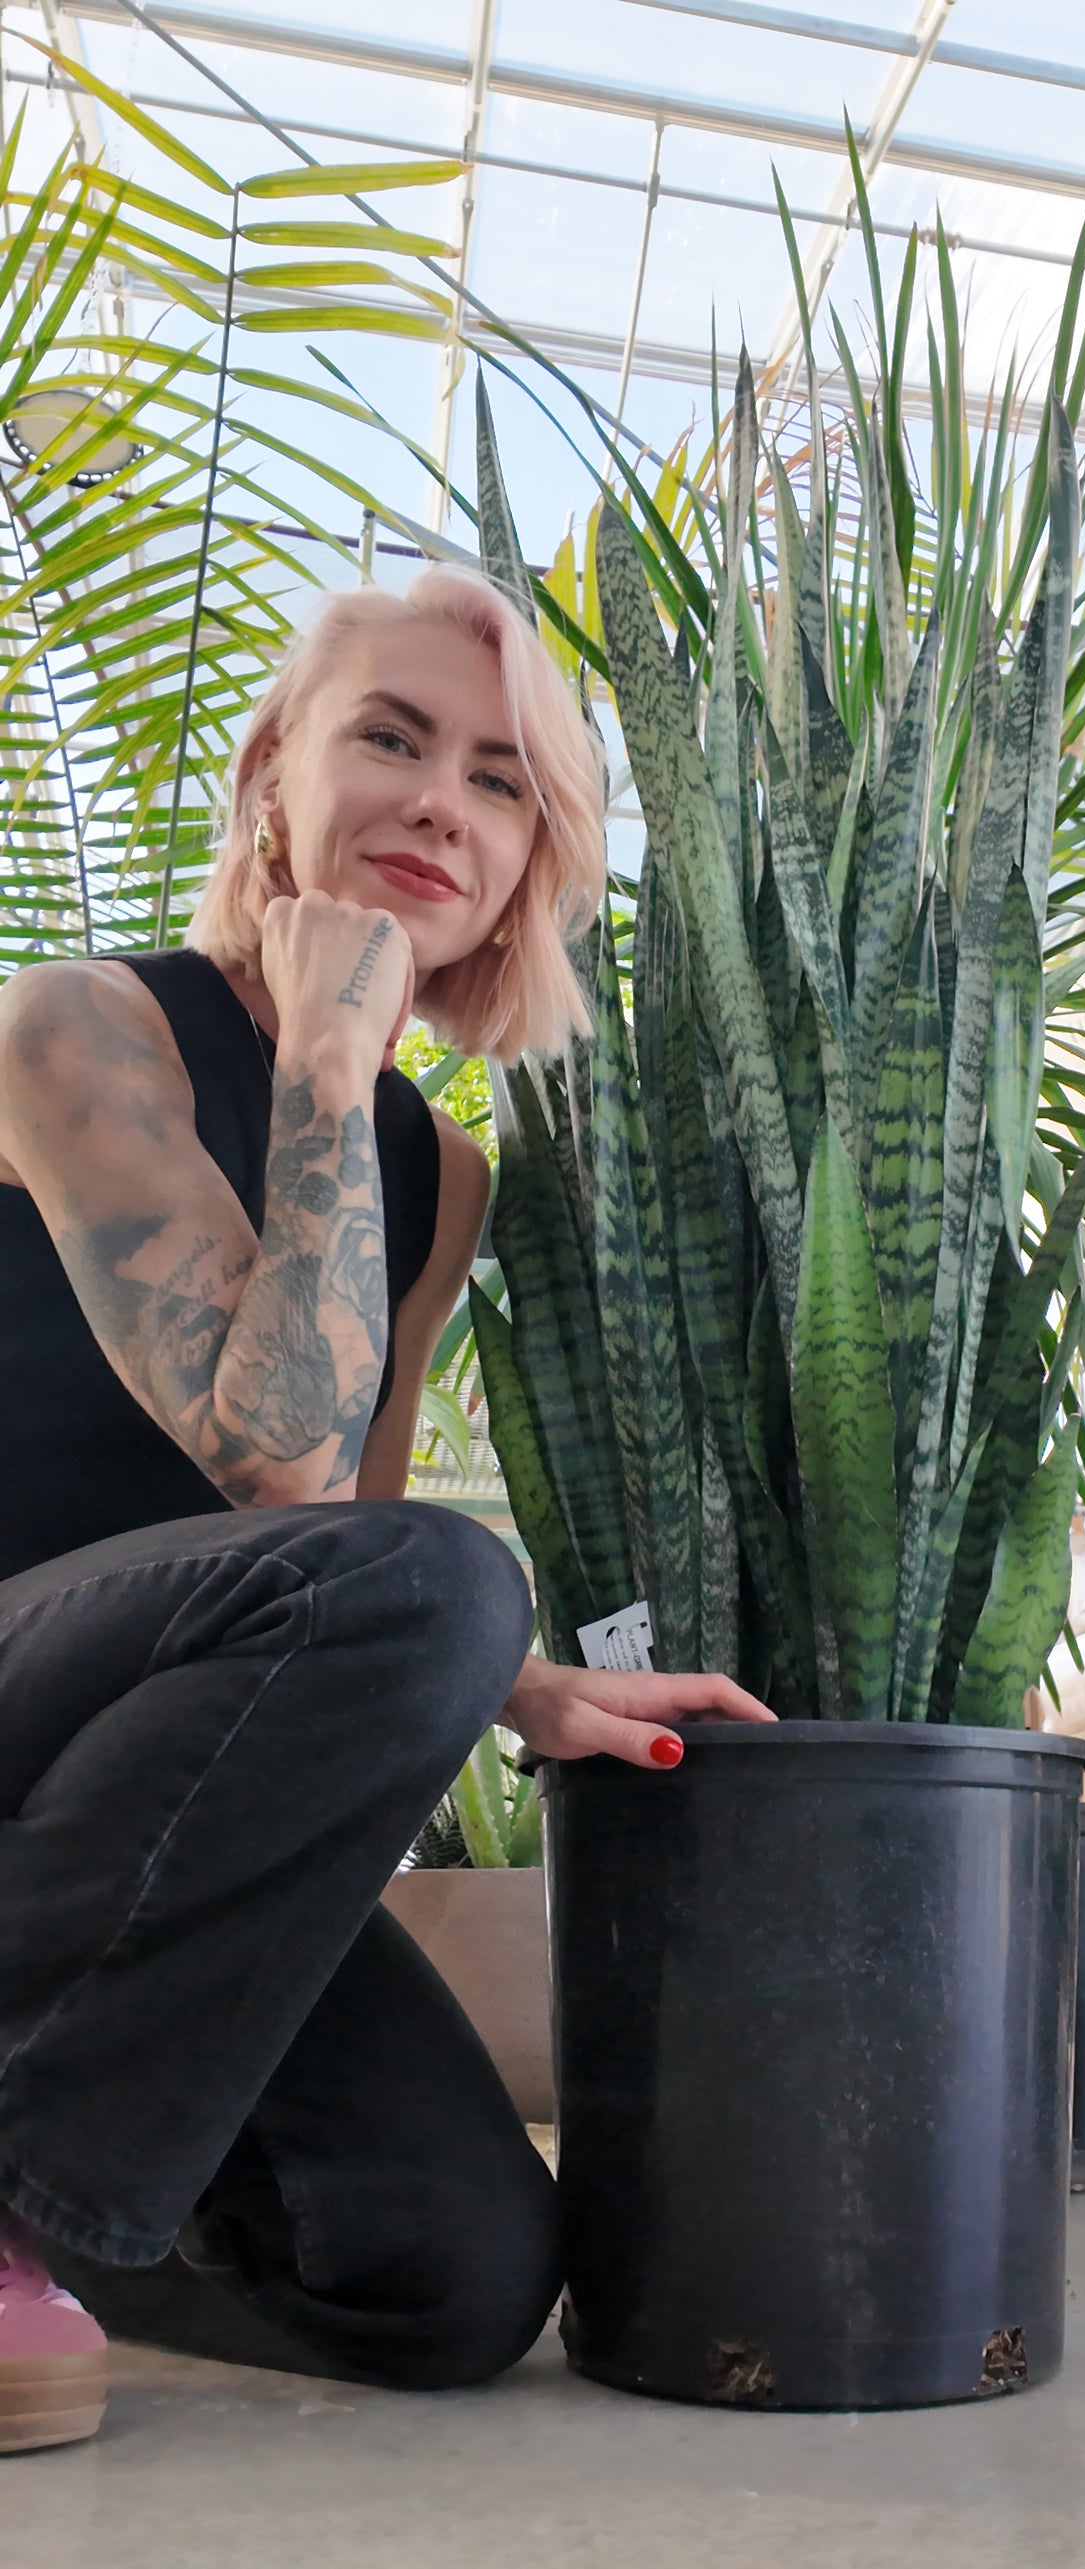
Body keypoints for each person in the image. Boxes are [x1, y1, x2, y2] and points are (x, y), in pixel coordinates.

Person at [0, 565, 772, 2453]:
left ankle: (61, 2218)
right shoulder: (78, 1024)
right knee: (440, 1574)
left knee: (446, 2280)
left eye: (502, 780)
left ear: (528, 863)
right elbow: (272, 1461)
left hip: (148, 1806)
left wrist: (523, 1686)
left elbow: (338, 1523)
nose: (442, 802)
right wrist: (329, 1057)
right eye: (392, 739)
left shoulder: (439, 1177)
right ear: (275, 774)